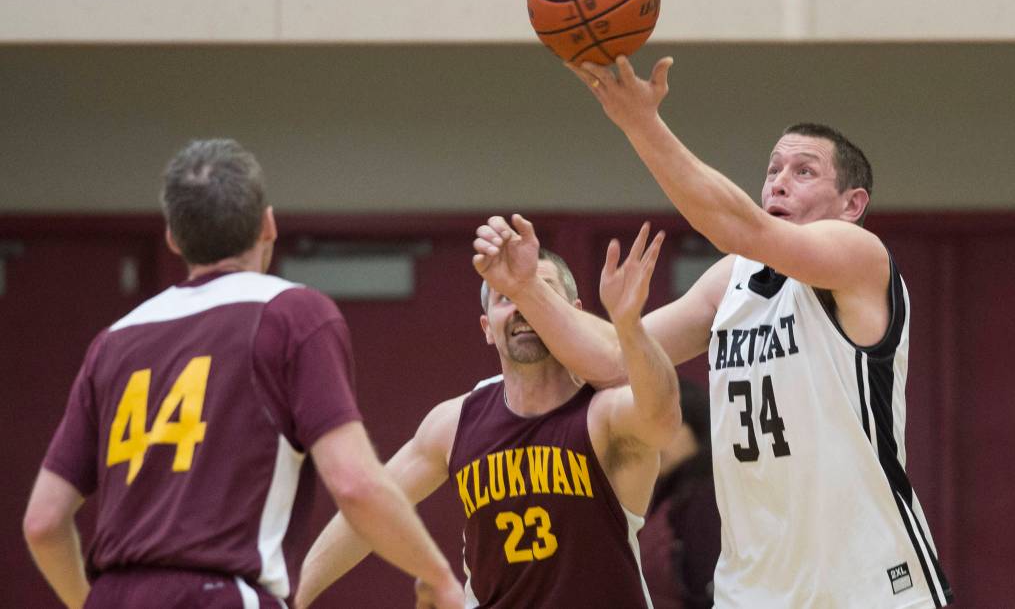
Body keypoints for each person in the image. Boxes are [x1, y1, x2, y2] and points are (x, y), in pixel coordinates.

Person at [471, 56, 953, 608]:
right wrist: (529, 287)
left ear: (852, 205)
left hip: (865, 583)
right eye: (772, 170)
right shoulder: (732, 280)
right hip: (752, 591)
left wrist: (640, 122)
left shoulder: (860, 257)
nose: (778, 183)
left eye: (804, 171)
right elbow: (606, 363)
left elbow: (736, 223)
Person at [22, 139, 463, 609]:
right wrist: (438, 577)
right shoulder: (291, 314)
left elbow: (43, 523)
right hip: (220, 594)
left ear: (174, 236)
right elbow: (354, 483)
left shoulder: (114, 340)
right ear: (268, 224)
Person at [296, 232, 681, 608]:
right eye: (506, 297)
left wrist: (630, 329)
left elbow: (663, 416)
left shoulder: (605, 413)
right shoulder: (453, 425)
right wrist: (293, 595)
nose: (523, 306)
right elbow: (371, 509)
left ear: (573, 314)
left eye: (539, 293)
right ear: (486, 328)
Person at [637, 379, 719, 609]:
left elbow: (706, 589)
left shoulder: (704, 497)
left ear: (697, 428)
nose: (656, 440)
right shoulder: (666, 493)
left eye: (669, 426)